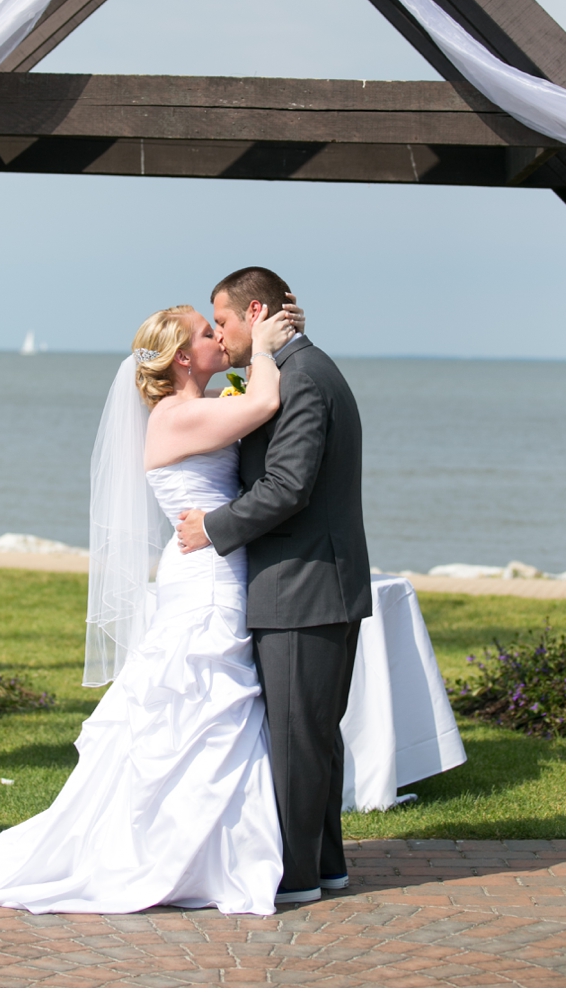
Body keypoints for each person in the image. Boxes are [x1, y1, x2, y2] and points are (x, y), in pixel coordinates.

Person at [0, 298, 302, 916]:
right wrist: (266, 347)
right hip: (206, 579)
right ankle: (184, 857)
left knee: (208, 715)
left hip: (211, 564)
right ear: (184, 356)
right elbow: (264, 405)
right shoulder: (173, 418)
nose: (221, 336)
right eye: (207, 331)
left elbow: (254, 425)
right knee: (201, 705)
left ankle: (205, 855)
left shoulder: (200, 407)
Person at [177, 266, 372, 905]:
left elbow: (288, 487)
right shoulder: (296, 370)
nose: (223, 335)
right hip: (312, 585)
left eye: (225, 321)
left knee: (296, 739)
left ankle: (292, 879)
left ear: (254, 312)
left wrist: (213, 527)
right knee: (312, 735)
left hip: (303, 589)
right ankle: (327, 866)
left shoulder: (304, 378)